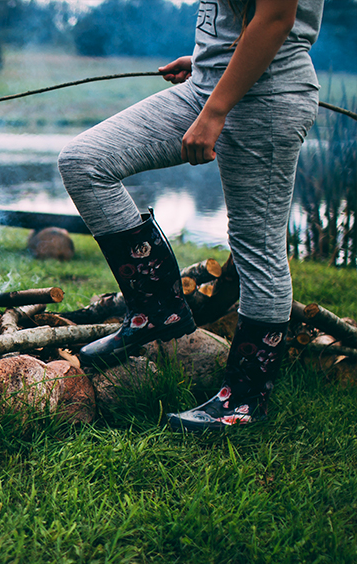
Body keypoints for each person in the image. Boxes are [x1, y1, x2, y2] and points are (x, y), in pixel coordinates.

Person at [56, 0, 323, 431]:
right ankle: (156, 310)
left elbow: (277, 18)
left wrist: (216, 110)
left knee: (258, 246)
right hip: (210, 85)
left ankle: (243, 401)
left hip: (266, 96)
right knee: (85, 161)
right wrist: (209, 59)